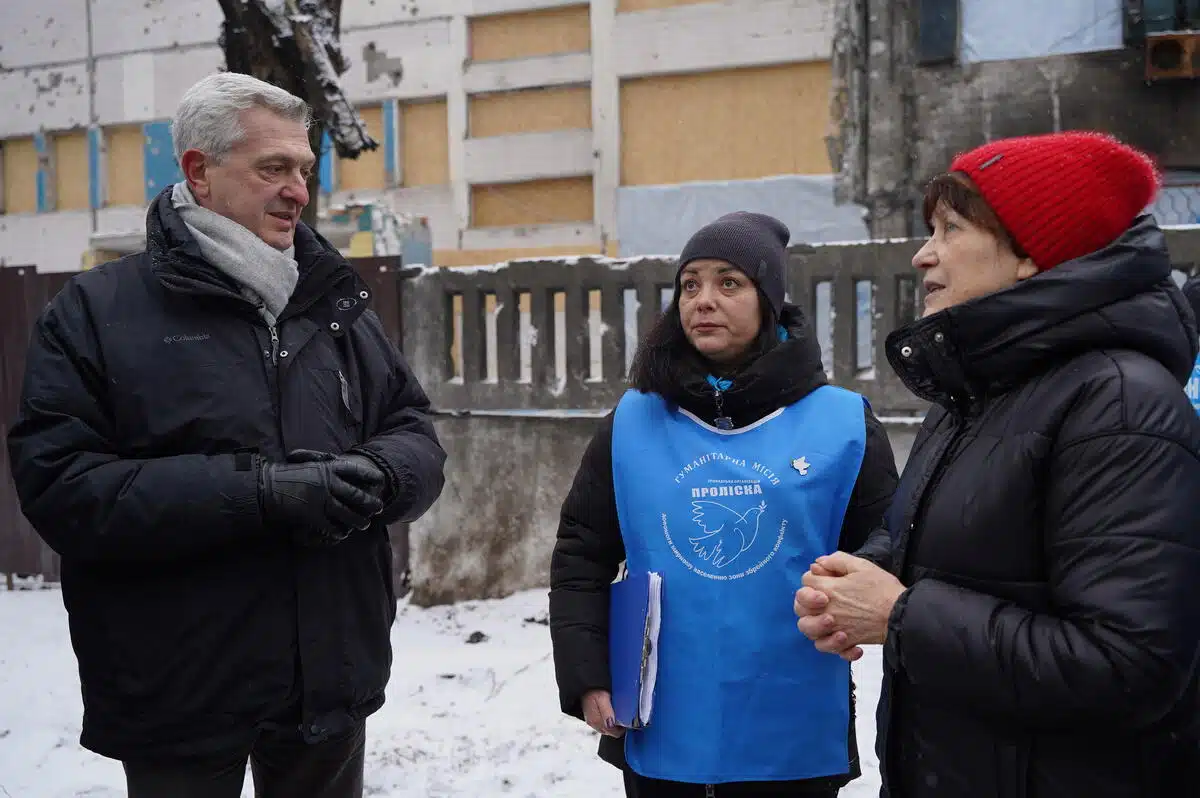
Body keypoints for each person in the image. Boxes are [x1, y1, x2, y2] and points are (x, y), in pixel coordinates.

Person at [5, 72, 447, 798]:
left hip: (328, 680)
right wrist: (261, 495)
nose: (298, 190)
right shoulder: (95, 313)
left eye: (304, 169)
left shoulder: (328, 300)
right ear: (198, 173)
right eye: (273, 167)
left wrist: (385, 473)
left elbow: (412, 427)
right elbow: (62, 487)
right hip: (180, 688)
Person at [793, 131, 1200, 797]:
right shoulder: (973, 394)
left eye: (951, 228)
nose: (924, 255)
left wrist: (899, 614)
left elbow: (1130, 665)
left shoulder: (1120, 405)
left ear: (1033, 254)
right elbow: (964, 554)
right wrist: (863, 578)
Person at [549, 211, 900, 797]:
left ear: (768, 298)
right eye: (690, 285)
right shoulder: (633, 421)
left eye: (728, 283)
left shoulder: (843, 423)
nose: (703, 301)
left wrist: (855, 602)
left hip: (792, 726)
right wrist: (587, 677)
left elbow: (892, 545)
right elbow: (581, 555)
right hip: (663, 723)